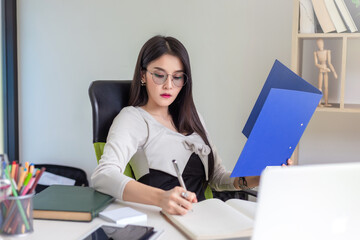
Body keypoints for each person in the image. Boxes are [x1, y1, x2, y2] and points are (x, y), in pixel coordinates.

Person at [91, 35, 292, 215]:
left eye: (177, 77)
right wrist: (161, 198)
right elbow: (103, 175)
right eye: (159, 75)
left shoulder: (193, 119)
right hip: (167, 222)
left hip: (207, 216)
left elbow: (217, 177)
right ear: (143, 75)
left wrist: (259, 176)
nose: (169, 85)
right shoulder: (134, 118)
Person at [314, 38, 338, 107]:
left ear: (323, 43)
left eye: (321, 43)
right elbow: (316, 64)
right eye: (318, 44)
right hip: (321, 70)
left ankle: (326, 102)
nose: (320, 45)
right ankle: (319, 103)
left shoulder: (327, 51)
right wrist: (323, 67)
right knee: (320, 87)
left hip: (326, 70)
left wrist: (334, 72)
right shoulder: (316, 53)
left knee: (326, 87)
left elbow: (329, 63)